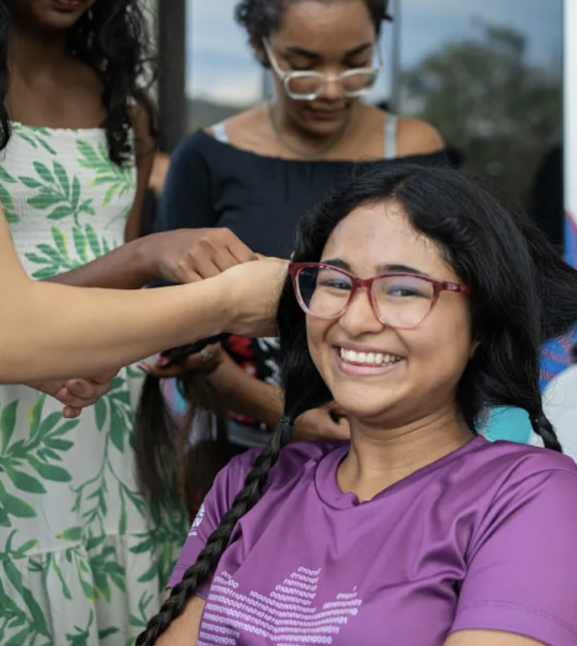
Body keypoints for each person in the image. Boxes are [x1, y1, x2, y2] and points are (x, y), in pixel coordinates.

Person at [123, 162, 577, 646]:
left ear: (481, 326)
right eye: (336, 282)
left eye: (404, 289)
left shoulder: (531, 500)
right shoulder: (249, 484)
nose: (357, 319)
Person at [0, 1, 287, 646]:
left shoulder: (126, 107)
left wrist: (145, 342)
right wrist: (159, 267)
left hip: (99, 402)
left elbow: (119, 283)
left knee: (113, 594)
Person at [148, 0, 448, 507]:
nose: (332, 89)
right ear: (259, 48)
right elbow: (172, 334)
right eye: (303, 65)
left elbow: (446, 306)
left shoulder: (417, 152)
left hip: (397, 461)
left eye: (356, 62)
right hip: (240, 456)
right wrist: (279, 409)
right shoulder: (205, 159)